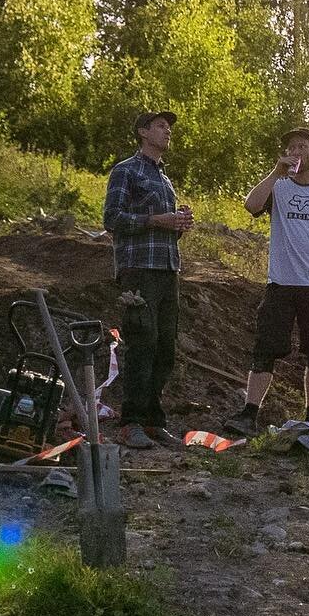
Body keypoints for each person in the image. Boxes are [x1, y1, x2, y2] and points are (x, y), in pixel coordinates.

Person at [224, 127, 309, 436]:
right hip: (280, 284)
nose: (296, 151)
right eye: (292, 147)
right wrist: (275, 172)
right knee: (265, 349)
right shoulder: (278, 188)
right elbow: (251, 205)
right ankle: (248, 413)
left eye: (302, 146)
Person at [103, 111, 192, 450]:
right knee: (142, 344)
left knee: (165, 349)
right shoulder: (126, 170)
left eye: (168, 126)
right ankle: (131, 423)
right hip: (138, 269)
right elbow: (112, 219)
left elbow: (161, 230)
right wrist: (159, 219)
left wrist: (178, 223)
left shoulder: (165, 179)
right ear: (142, 132)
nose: (167, 129)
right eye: (159, 125)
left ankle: (153, 421)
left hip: (168, 269)